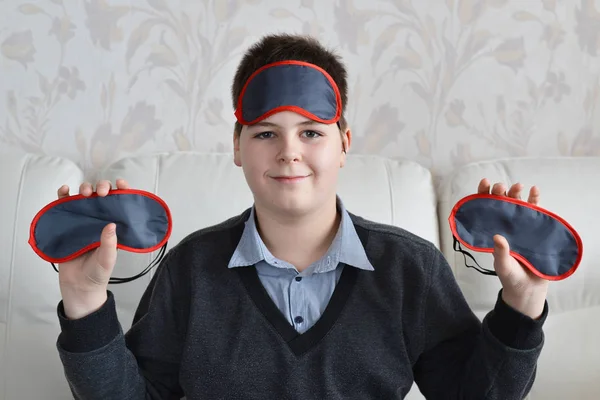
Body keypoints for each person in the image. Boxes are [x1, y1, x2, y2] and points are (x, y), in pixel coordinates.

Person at [54, 34, 548, 399]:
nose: (289, 152)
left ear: (344, 145)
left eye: (311, 132)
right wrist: (85, 300)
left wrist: (521, 305)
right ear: (236, 148)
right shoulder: (190, 269)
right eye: (266, 133)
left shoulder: (409, 269)